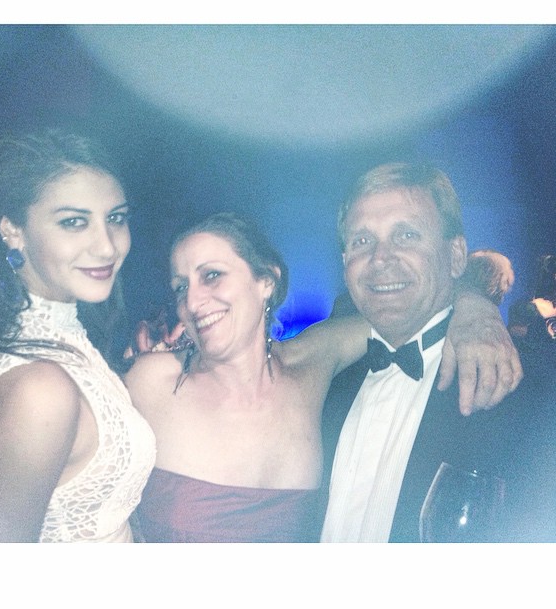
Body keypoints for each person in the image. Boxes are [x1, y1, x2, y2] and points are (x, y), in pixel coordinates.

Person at [124, 211, 521, 542]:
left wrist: (475, 305)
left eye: (211, 275)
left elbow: (410, 303)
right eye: (181, 287)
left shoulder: (312, 363)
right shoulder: (154, 381)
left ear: (266, 281)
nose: (192, 302)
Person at [0, 129, 156, 542]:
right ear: (13, 230)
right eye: (74, 222)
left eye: (116, 219)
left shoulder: (50, 338)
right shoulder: (37, 389)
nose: (107, 247)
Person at [319, 162, 535, 542]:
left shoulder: (522, 392)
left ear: (456, 256)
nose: (380, 258)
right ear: (345, 263)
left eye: (406, 235)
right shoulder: (320, 380)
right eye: (362, 241)